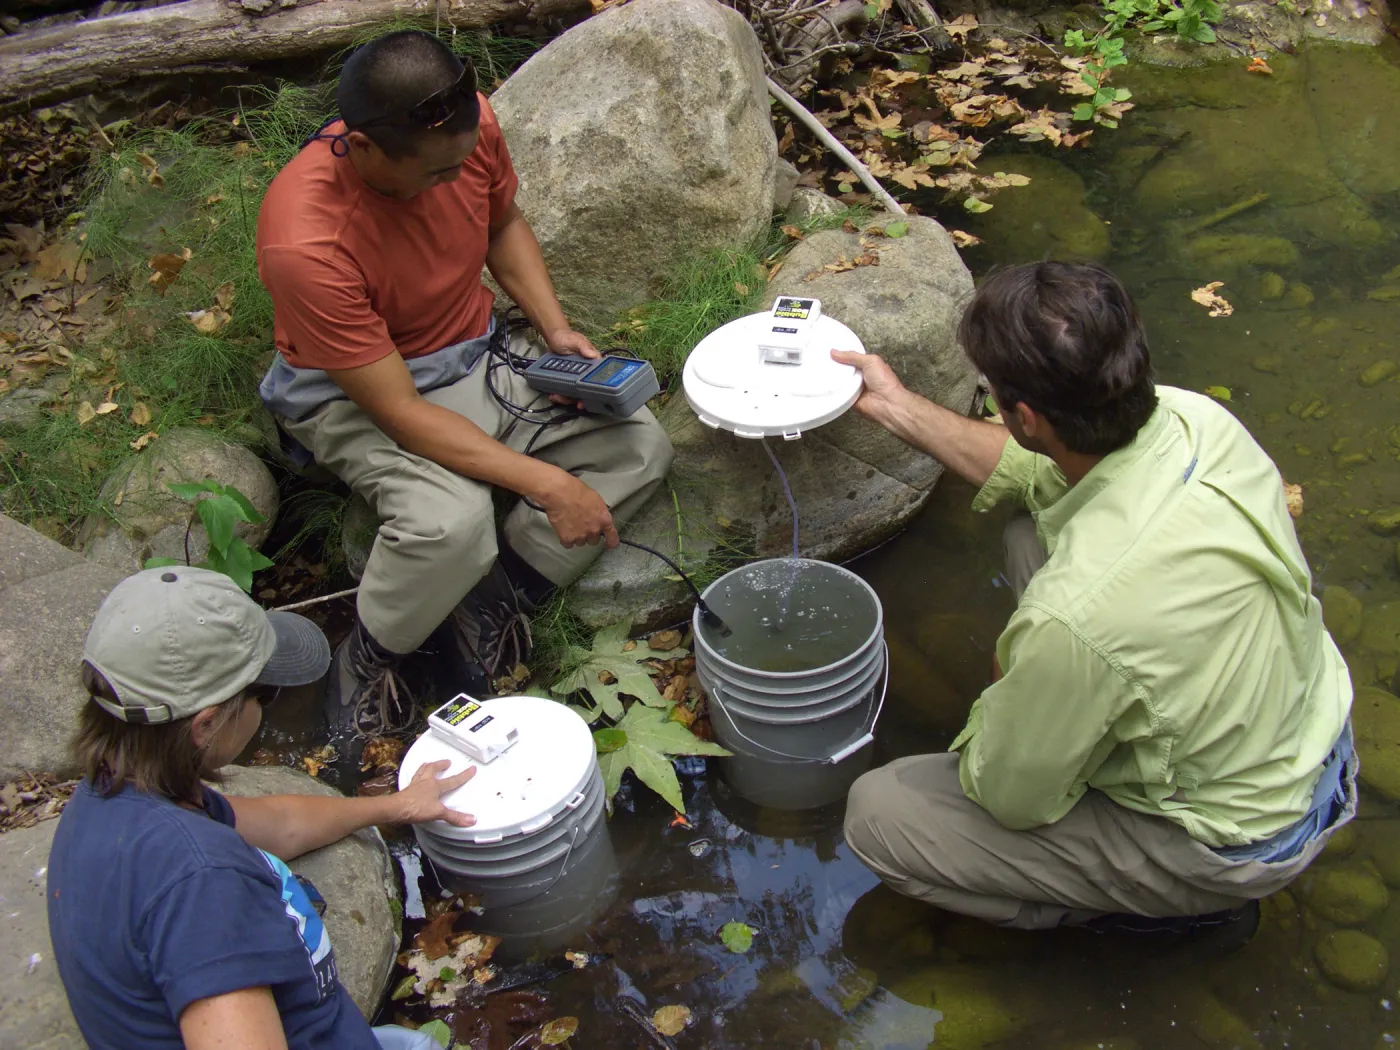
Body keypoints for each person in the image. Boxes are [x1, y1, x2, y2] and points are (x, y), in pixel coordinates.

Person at [838, 261, 1355, 933]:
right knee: (1032, 538)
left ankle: (1160, 910)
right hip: (1312, 740)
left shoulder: (1074, 619)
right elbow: (1032, 467)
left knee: (879, 815)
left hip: (1243, 840)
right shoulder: (1198, 423)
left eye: (991, 396)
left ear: (1026, 415)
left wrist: (1015, 675)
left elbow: (1008, 795)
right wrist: (894, 406)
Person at [255, 29, 674, 736]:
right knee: (451, 527)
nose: (455, 180)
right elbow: (400, 413)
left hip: (477, 350)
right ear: (362, 148)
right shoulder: (306, 241)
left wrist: (554, 327)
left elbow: (502, 222)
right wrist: (549, 485)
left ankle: (495, 597)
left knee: (639, 447)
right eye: (434, 175)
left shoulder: (461, 124)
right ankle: (372, 651)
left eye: (462, 162)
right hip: (362, 393)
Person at [47, 566, 476, 1050]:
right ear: (206, 726)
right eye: (264, 692)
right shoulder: (201, 886)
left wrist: (396, 806)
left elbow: (280, 824)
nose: (267, 706)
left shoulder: (113, 798)